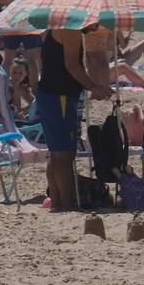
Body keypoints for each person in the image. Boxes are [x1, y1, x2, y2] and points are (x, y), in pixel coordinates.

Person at [38, 28, 96, 211]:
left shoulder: (59, 28)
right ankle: (67, 206)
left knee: (57, 153)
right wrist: (94, 86)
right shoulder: (70, 29)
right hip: (59, 96)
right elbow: (72, 64)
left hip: (53, 95)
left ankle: (57, 203)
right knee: (63, 155)